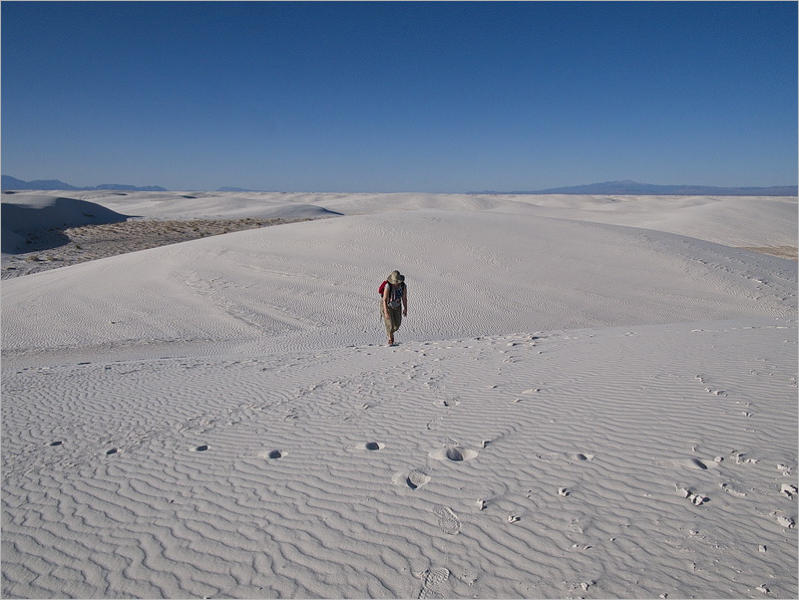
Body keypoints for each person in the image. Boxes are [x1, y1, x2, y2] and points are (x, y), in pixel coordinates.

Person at [381, 270, 407, 346]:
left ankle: (391, 333)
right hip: (387, 306)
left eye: (397, 281)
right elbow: (385, 299)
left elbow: (404, 298)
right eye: (394, 281)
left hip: (397, 306)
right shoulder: (388, 286)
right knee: (390, 324)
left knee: (397, 325)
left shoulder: (403, 286)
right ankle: (390, 339)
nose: (395, 283)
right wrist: (385, 312)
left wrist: (405, 309)